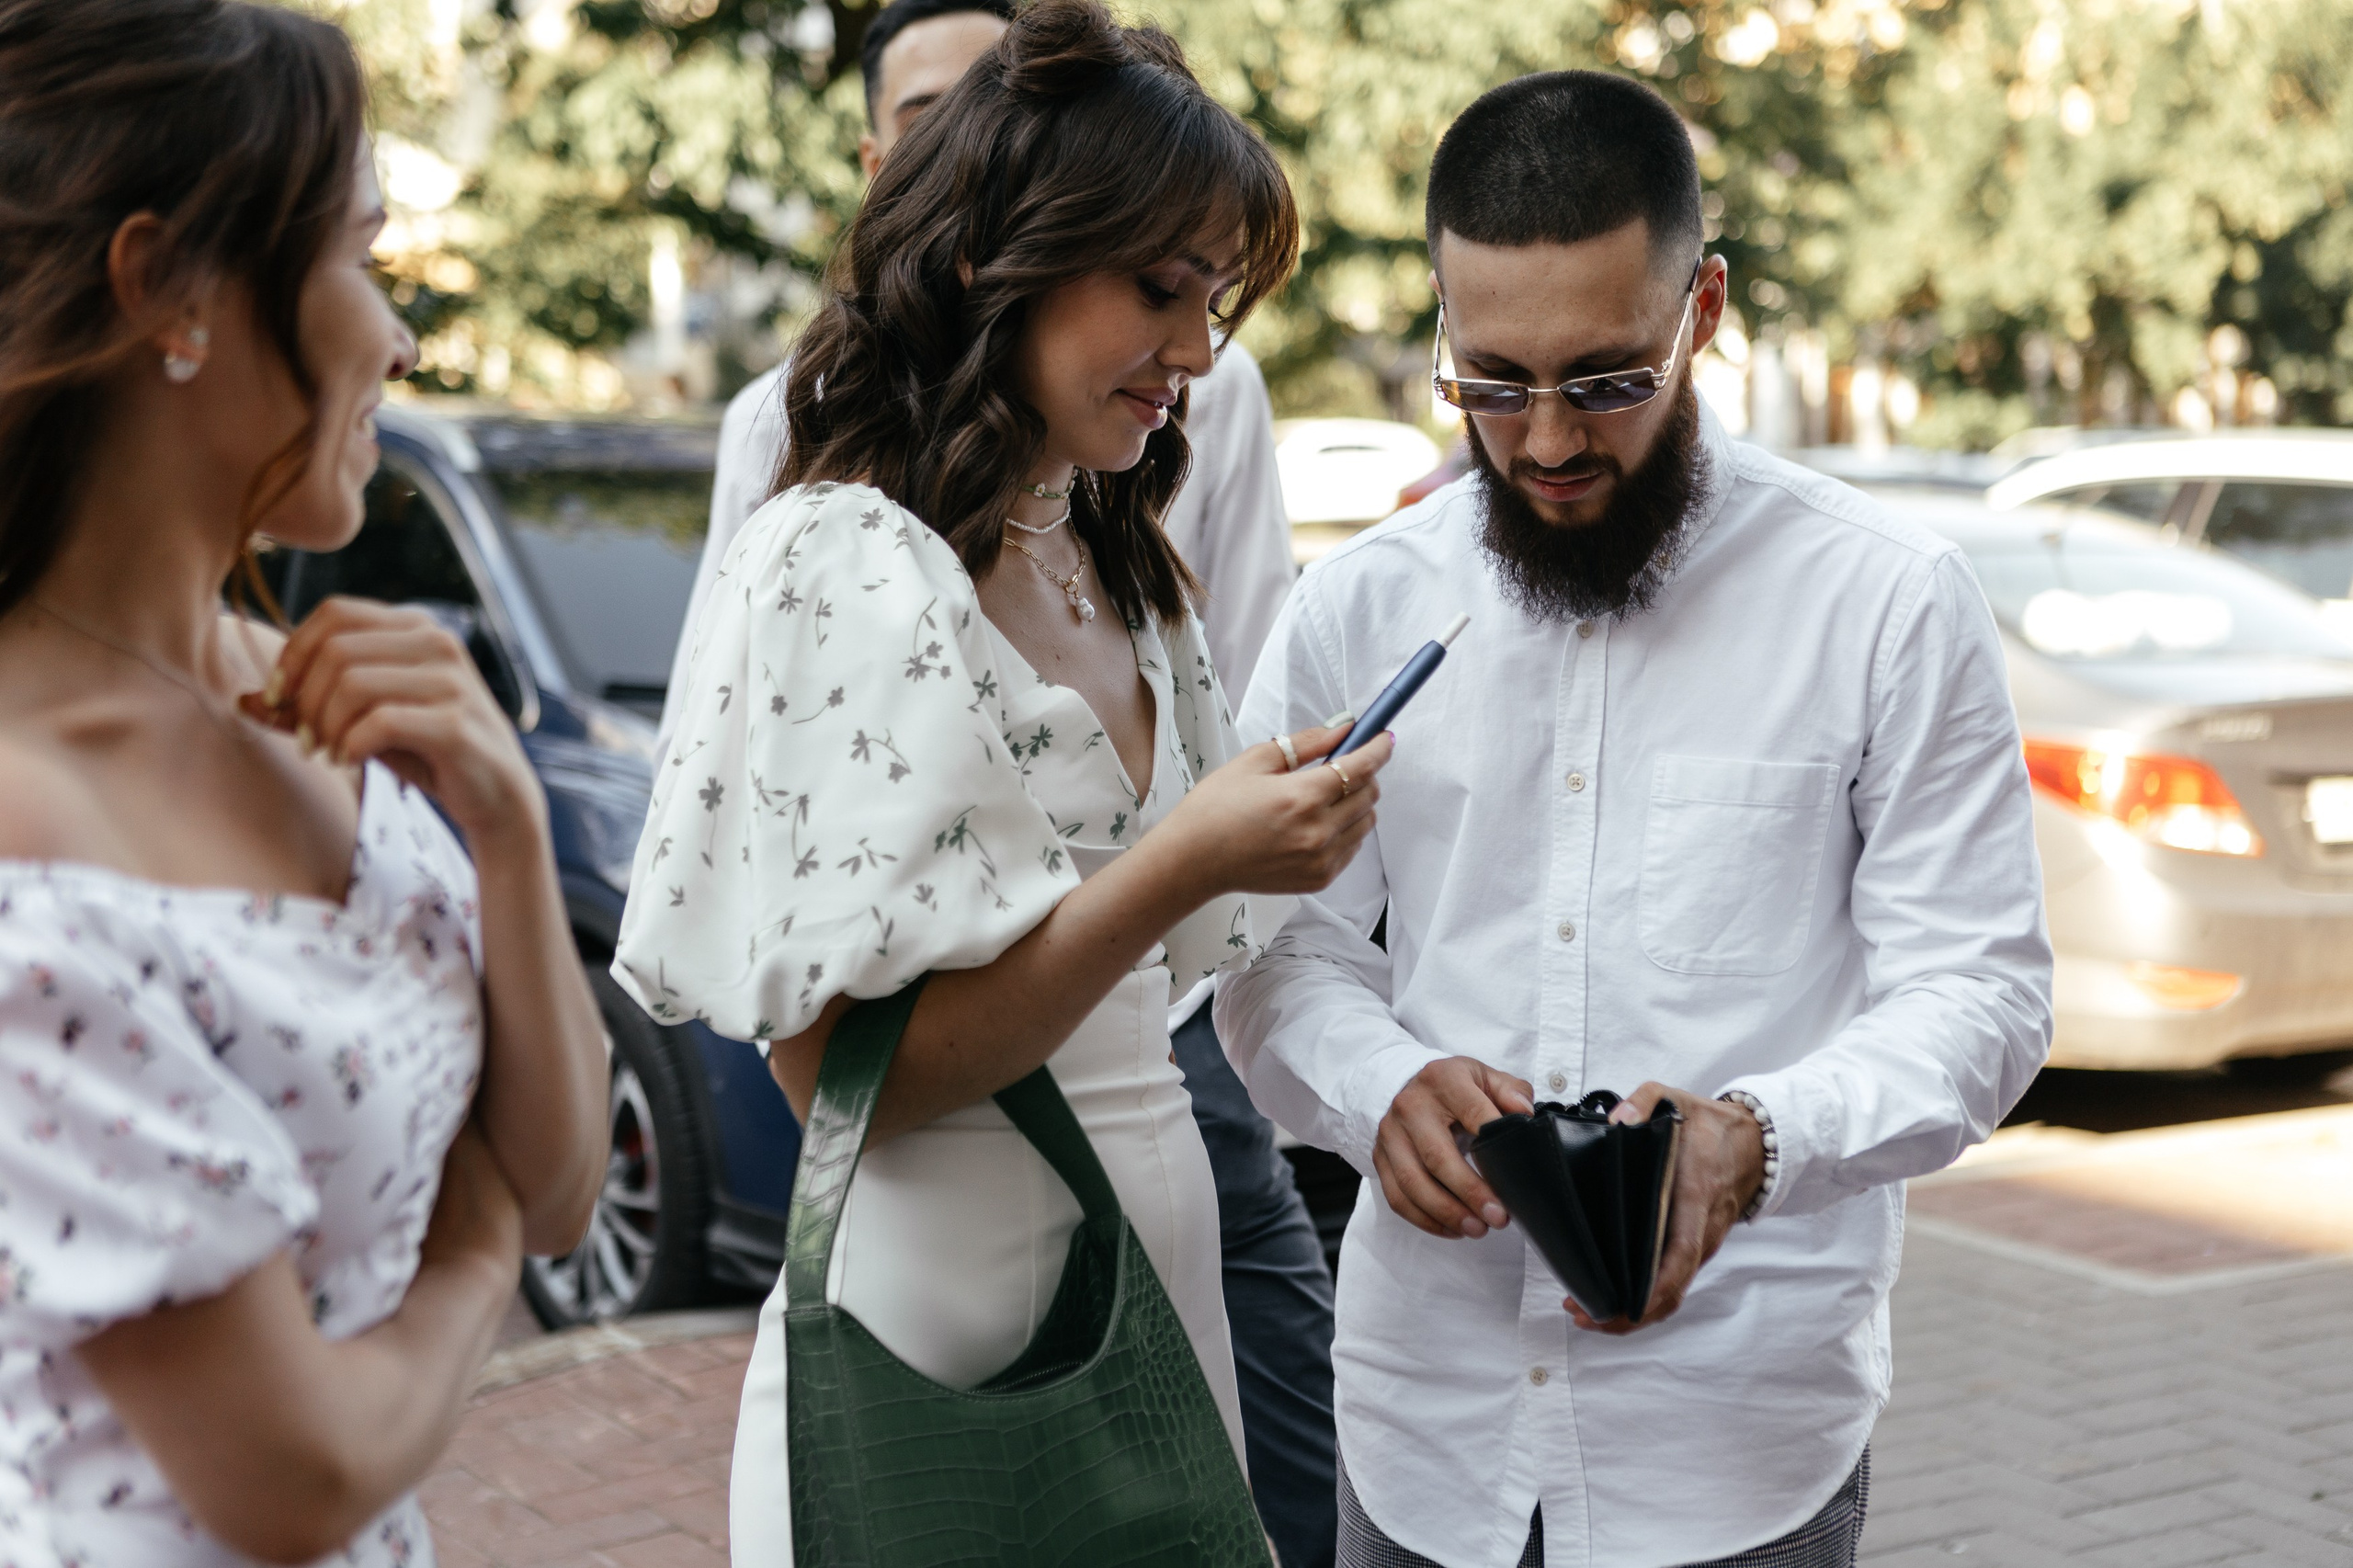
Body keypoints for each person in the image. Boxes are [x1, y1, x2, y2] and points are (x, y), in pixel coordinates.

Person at [1216, 70, 2053, 1568]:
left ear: (1704, 311)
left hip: (1734, 1448)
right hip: (1425, 1440)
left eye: (1604, 378)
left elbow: (1984, 993)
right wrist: (1377, 1082)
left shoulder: (1886, 603)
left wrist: (1763, 1137)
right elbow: (1276, 955)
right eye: (1490, 380)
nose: (1542, 441)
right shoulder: (1359, 608)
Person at [611, 5, 1391, 1559]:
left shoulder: (1114, 550)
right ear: (997, 257)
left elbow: (1143, 975)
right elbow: (846, 1080)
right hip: (945, 1356)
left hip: (1159, 1310)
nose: (1198, 352)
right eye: (1160, 290)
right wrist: (1189, 859)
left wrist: (1267, 839)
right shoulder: (845, 560)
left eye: (1216, 299)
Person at [0, 1, 610, 1562]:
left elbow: (562, 1185)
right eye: (364, 257)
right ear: (169, 290)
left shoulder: (299, 687)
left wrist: (511, 825)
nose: (400, 338)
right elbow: (297, 1475)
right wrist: (473, 1253)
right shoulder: (27, 841)